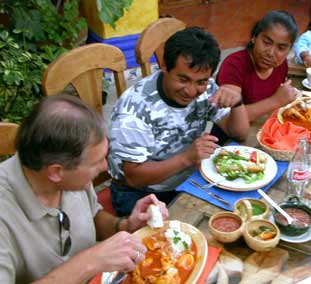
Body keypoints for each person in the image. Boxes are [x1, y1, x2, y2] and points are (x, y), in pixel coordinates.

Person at [0, 94, 168, 283]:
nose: (105, 167)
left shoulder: (71, 181)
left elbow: (93, 217)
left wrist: (126, 226)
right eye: (96, 162)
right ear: (56, 172)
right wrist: (90, 261)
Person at [108, 27, 249, 216]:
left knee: (238, 213)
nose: (191, 91)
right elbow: (134, 178)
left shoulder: (206, 90)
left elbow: (240, 133)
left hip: (185, 180)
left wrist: (237, 102)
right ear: (165, 67)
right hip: (139, 193)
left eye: (201, 82)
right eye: (183, 79)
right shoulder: (134, 109)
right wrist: (187, 158)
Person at [212, 10, 298, 143]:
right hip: (228, 143)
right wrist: (276, 101)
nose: (271, 53)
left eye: (281, 48)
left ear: (289, 50)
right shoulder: (234, 65)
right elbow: (230, 118)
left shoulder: (281, 65)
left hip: (264, 135)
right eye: (266, 42)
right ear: (254, 37)